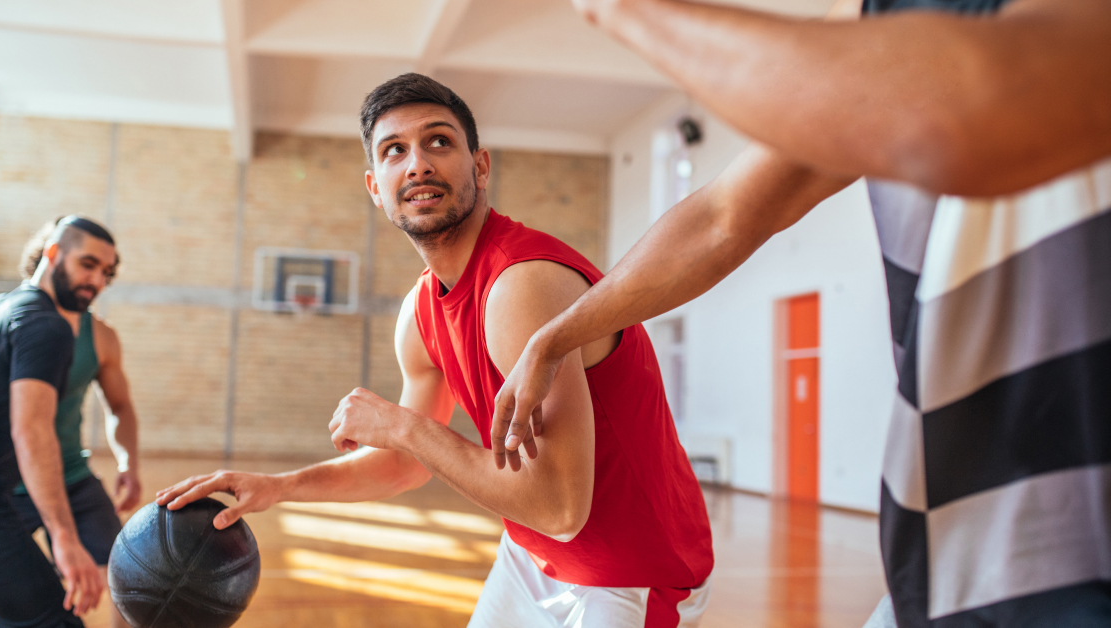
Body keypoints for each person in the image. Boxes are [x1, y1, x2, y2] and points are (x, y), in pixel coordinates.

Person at [489, 0, 1111, 626]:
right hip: (952, 528)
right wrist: (553, 339)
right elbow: (720, 220)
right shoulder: (890, 20)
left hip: (1082, 533)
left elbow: (963, 112)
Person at [157, 73, 715, 627]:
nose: (418, 163)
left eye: (439, 141)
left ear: (480, 166)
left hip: (630, 574)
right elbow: (402, 466)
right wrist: (279, 486)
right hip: (534, 555)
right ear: (376, 186)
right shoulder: (420, 313)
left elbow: (559, 508)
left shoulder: (522, 285)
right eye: (394, 150)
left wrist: (404, 426)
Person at [0, 220, 142, 628]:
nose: (97, 280)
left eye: (106, 272)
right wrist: (65, 540)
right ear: (52, 253)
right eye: (87, 264)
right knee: (55, 621)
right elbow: (31, 431)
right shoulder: (45, 324)